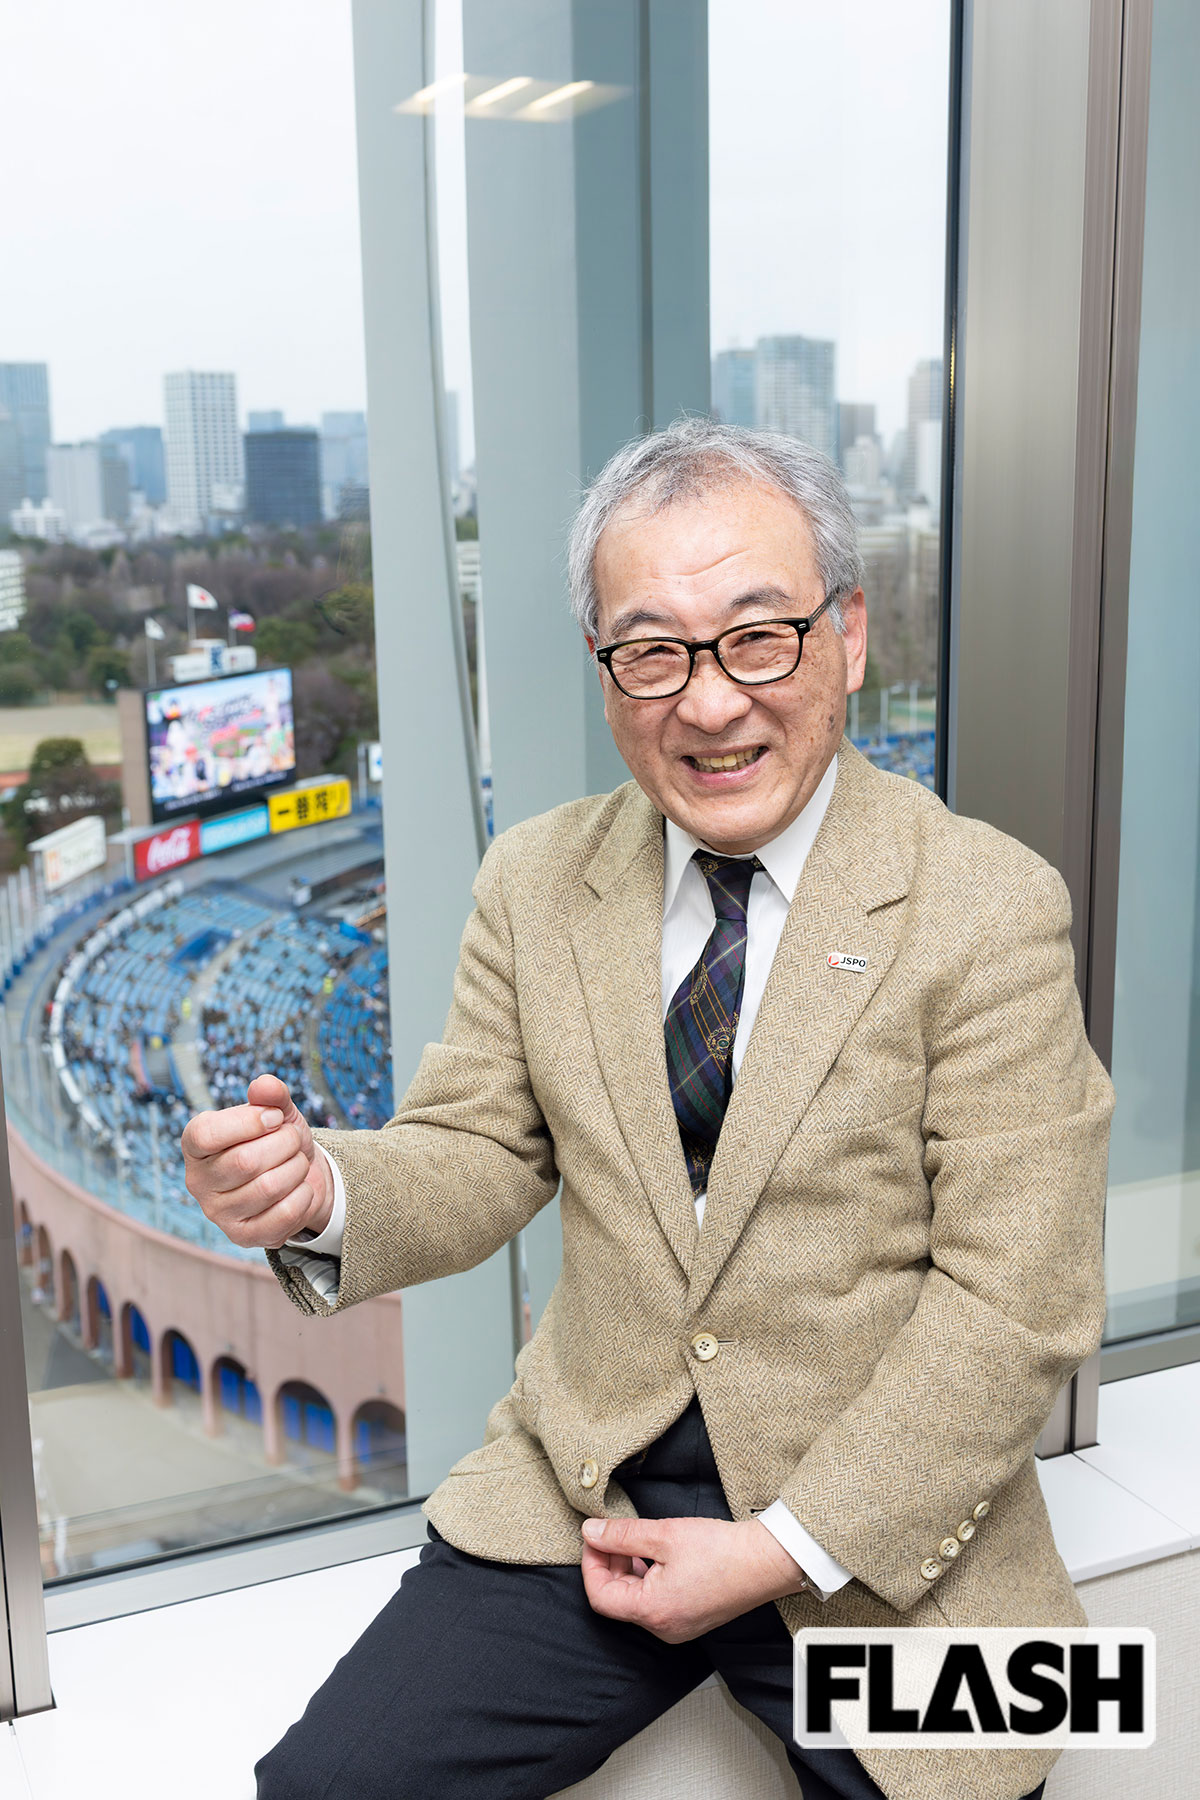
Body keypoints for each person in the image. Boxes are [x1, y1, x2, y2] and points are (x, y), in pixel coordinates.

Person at [181, 419, 1114, 1800]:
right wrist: (321, 1194)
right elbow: (480, 1149)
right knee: (326, 1787)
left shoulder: (988, 906)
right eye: (652, 652)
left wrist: (787, 1546)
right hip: (588, 1499)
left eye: (760, 637)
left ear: (848, 635)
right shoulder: (538, 879)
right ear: (610, 677)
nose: (711, 702)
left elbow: (1014, 1301)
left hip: (884, 1530)